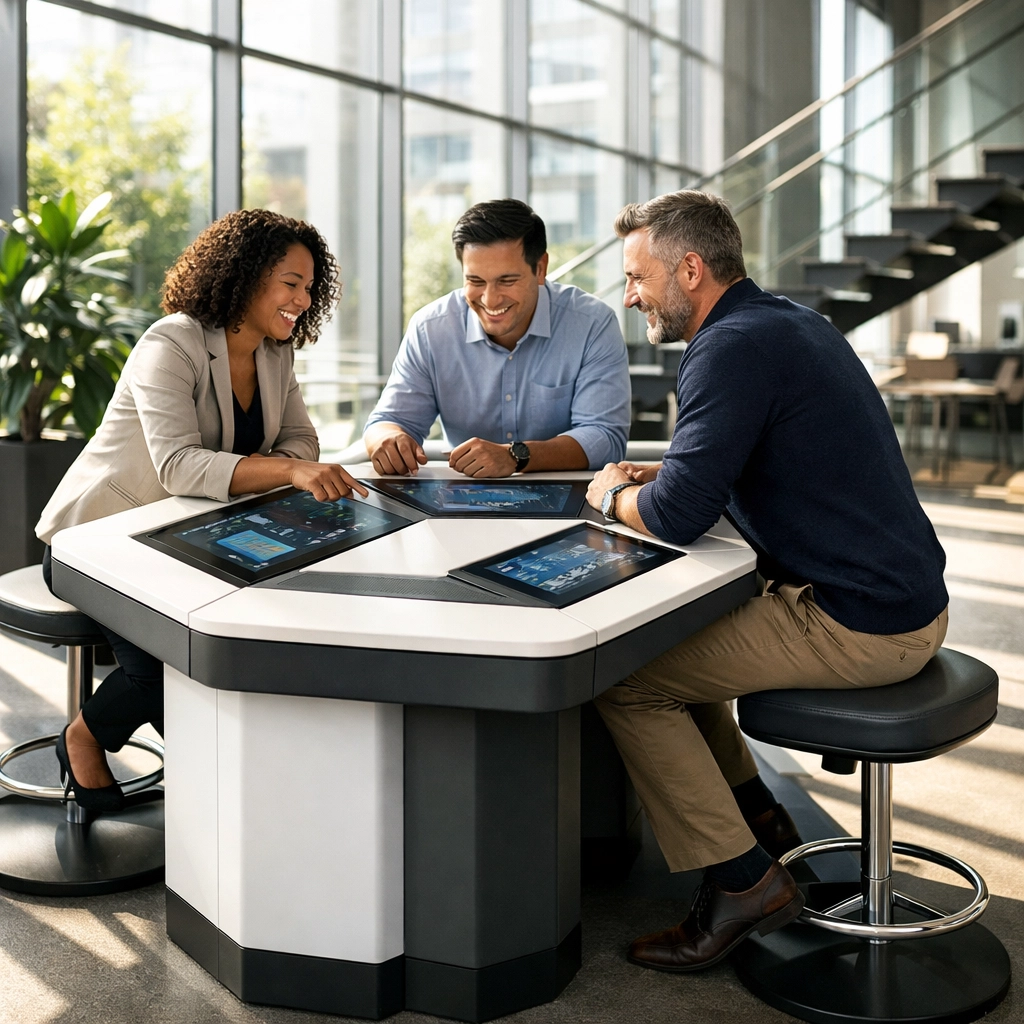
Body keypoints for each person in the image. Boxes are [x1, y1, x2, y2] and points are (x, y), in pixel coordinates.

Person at [585, 190, 948, 972]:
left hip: (862, 625)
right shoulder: (784, 321)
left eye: (638, 276)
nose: (630, 296)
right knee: (684, 646)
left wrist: (609, 494)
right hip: (903, 601)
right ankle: (761, 820)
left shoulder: (727, 348)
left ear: (690, 267)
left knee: (629, 681)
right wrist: (678, 470)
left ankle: (744, 882)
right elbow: (754, 458)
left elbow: (678, 516)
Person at [36, 209, 367, 813]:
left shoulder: (274, 352)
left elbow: (303, 441)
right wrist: (285, 469)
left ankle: (240, 793)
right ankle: (82, 741)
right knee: (170, 667)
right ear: (244, 277)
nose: (303, 297)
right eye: (290, 282)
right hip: (99, 543)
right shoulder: (171, 343)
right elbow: (180, 466)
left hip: (188, 537)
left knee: (245, 642)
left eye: (309, 286)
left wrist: (288, 464)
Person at [363, 199, 630, 477]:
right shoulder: (430, 328)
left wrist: (515, 456)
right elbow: (388, 422)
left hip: (568, 497)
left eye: (507, 281)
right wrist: (387, 440)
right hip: (462, 500)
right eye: (475, 281)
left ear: (540, 268)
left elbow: (605, 438)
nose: (490, 299)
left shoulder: (592, 324)